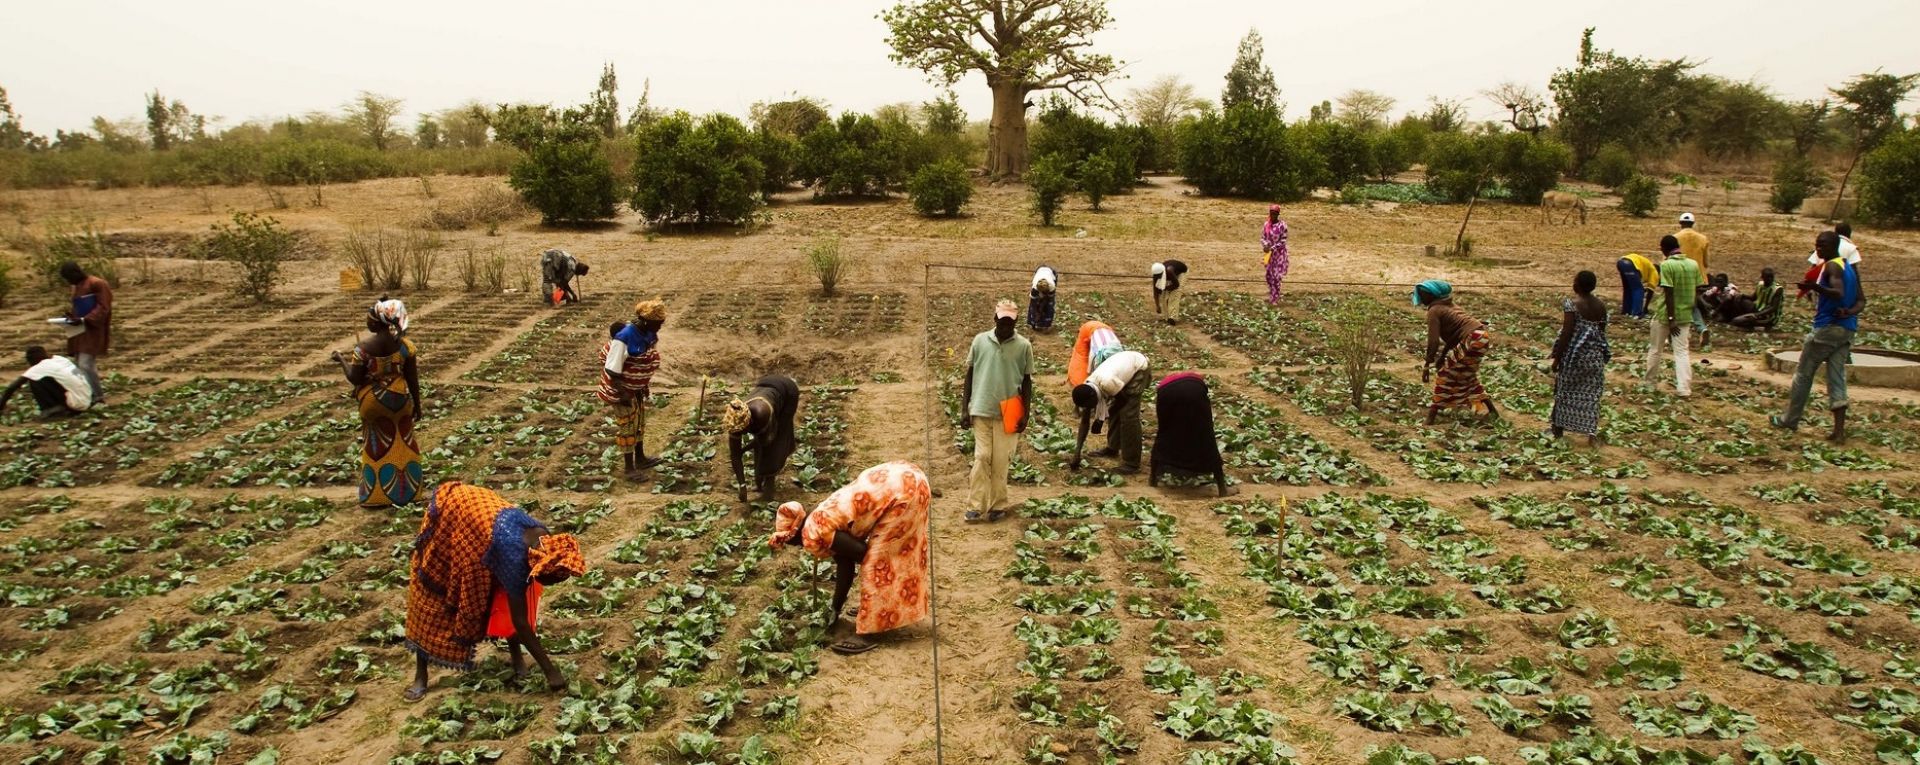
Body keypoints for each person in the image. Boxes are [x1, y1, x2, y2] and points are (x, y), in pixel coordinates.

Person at [403, 481, 587, 701]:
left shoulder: (542, 538)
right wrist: (551, 671)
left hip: (481, 519)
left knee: (503, 594)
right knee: (433, 594)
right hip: (451, 514)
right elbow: (521, 622)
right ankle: (420, 676)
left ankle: (516, 657)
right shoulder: (515, 558)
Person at [769, 461, 931, 655]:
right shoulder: (818, 515)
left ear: (794, 535)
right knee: (886, 556)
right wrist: (836, 608)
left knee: (876, 564)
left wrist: (871, 592)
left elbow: (859, 553)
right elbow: (845, 564)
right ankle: (879, 610)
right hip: (908, 477)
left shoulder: (813, 533)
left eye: (792, 543)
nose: (796, 547)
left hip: (904, 493)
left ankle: (868, 632)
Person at [1773, 231, 1865, 443]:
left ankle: (1790, 419)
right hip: (1847, 330)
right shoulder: (1849, 268)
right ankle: (1839, 432)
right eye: (1817, 245)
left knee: (1803, 374)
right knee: (1836, 378)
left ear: (1834, 246)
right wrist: (1849, 312)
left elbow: (1838, 293)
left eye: (1823, 245)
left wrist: (1814, 287)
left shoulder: (1832, 266)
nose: (1819, 249)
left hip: (1826, 328)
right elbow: (1861, 300)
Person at [334, 299, 423, 508]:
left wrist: (341, 360)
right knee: (403, 443)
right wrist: (417, 405)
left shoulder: (363, 349)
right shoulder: (405, 347)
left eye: (370, 318)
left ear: (376, 323)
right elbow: (412, 378)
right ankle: (408, 493)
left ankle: (376, 496)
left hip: (373, 402)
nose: (367, 321)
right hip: (400, 400)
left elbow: (355, 378)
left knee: (375, 446)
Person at [960, 300, 1032, 523]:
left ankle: (997, 505)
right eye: (1002, 321)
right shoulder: (980, 341)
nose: (1005, 325)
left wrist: (1026, 413)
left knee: (1001, 461)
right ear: (995, 319)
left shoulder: (1023, 346)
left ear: (1015, 321)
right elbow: (970, 375)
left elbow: (1027, 381)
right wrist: (965, 408)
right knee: (982, 457)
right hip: (981, 407)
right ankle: (975, 505)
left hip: (1010, 410)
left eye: (1010, 321)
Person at [1416, 280, 1499, 425]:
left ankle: (1431, 417)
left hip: (1472, 338)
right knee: (1466, 375)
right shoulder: (1449, 305)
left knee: (1445, 375)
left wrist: (1427, 364)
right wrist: (1442, 356)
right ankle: (1492, 411)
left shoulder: (1434, 311)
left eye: (1423, 295)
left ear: (1431, 296)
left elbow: (1433, 341)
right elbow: (1454, 337)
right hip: (1481, 336)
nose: (1421, 298)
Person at [600, 301, 666, 478]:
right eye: (658, 323)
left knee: (639, 423)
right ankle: (629, 469)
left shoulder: (648, 333)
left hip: (635, 389)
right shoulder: (624, 337)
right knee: (628, 426)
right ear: (646, 320)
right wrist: (623, 394)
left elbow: (643, 361)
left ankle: (641, 458)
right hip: (621, 390)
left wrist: (642, 384)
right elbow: (612, 369)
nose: (660, 327)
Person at [1549, 271, 1611, 446]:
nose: (1573, 283)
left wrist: (1557, 359)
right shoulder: (1601, 306)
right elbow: (1601, 333)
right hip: (1595, 357)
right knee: (1591, 396)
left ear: (1579, 285)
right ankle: (1591, 435)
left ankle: (1557, 429)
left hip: (1574, 358)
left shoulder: (1572, 304)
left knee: (1564, 392)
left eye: (1575, 280)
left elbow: (1567, 333)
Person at [1149, 372, 1231, 496]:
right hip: (1194, 390)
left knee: (1165, 431)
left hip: (1165, 391)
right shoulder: (1198, 382)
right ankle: (1222, 489)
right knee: (1205, 434)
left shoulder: (1170, 381)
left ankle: (1153, 479)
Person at [1070, 349, 1150, 474]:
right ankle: (1113, 448)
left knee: (1128, 416)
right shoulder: (1088, 387)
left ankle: (1132, 463)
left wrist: (1101, 420)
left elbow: (1122, 401)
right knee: (1114, 411)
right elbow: (1084, 423)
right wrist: (1077, 453)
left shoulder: (1106, 383)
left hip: (1138, 368)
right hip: (1122, 368)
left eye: (1089, 406)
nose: (1089, 409)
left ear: (1093, 398)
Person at [724, 375, 800, 502]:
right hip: (765, 385)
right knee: (760, 447)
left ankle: (769, 484)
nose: (739, 434)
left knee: (776, 442)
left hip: (787, 392)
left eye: (741, 431)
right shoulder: (734, 420)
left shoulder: (762, 414)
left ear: (749, 422)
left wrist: (746, 449)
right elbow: (735, 455)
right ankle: (759, 481)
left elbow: (765, 442)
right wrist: (742, 486)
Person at [1645, 235, 1701, 396]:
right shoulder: (1692, 264)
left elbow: (1668, 293)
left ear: (1665, 248)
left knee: (1656, 349)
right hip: (1685, 315)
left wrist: (1671, 319)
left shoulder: (1667, 265)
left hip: (1665, 315)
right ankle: (1684, 388)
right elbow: (1697, 290)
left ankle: (1650, 383)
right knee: (1682, 352)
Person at [60, 262, 111, 406]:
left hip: (93, 329)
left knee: (85, 364)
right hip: (80, 330)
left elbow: (103, 307)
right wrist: (72, 316)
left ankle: (98, 397)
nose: (68, 281)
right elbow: (80, 307)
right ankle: (90, 394)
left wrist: (85, 319)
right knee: (81, 363)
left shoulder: (97, 283)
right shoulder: (78, 286)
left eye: (69, 277)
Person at [0, 346, 94, 419]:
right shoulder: (60, 359)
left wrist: (1, 406)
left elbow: (12, 387)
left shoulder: (40, 367)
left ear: (31, 359)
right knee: (45, 378)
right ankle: (61, 407)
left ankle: (52, 409)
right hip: (86, 400)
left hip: (76, 404)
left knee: (35, 380)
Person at [1675, 213, 1711, 344]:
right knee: (1692, 304)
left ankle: (1684, 332)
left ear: (1680, 223)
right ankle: (1701, 328)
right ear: (1693, 224)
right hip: (1698, 278)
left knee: (1677, 304)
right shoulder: (1703, 239)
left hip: (1680, 275)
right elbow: (1706, 263)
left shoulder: (1675, 238)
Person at [1067, 321, 1122, 389]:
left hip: (1103, 328)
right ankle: (1075, 383)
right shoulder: (1098, 354)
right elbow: (1091, 366)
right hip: (1088, 329)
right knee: (1081, 359)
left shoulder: (1119, 356)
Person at [1261, 205, 1290, 304]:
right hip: (1268, 254)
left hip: (1279, 254)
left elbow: (1283, 241)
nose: (1272, 215)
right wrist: (1265, 245)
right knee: (1269, 276)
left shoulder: (1283, 225)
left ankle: (1275, 298)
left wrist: (1273, 248)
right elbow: (1263, 238)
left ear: (1278, 214)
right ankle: (1272, 292)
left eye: (1274, 213)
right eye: (1271, 213)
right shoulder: (1266, 225)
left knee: (1276, 276)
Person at [1616, 253, 1657, 319]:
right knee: (1639, 289)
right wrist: (1645, 307)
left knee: (1628, 289)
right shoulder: (1655, 273)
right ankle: (1637, 313)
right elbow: (1650, 291)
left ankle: (1626, 311)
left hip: (1621, 263)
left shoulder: (1647, 267)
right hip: (1630, 264)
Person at [1151, 259, 1188, 324]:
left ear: (1162, 272)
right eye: (1157, 276)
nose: (1158, 277)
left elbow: (1176, 285)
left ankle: (1173, 318)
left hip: (1182, 273)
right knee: (1164, 296)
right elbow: (1156, 291)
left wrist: (1166, 288)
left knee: (1175, 294)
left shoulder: (1169, 271)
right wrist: (1157, 306)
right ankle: (1166, 317)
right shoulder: (1156, 275)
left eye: (1159, 276)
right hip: (1172, 275)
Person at [1027, 266, 1058, 333]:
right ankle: (1033, 323)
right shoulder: (1034, 289)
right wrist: (1037, 312)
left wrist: (1041, 308)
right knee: (1033, 306)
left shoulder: (1052, 286)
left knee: (1049, 305)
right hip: (1039, 270)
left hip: (1051, 272)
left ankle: (1046, 325)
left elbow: (1048, 299)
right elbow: (1033, 303)